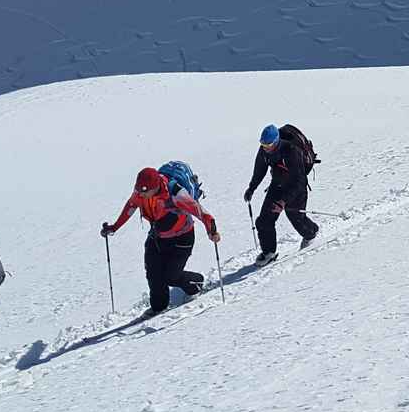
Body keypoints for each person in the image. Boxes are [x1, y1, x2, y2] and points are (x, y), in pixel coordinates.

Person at [103, 165, 221, 316]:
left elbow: (201, 212)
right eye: (138, 190)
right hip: (158, 236)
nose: (140, 195)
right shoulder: (141, 192)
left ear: (155, 186)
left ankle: (196, 283)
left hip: (182, 238)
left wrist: (212, 231)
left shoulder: (176, 194)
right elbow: (131, 206)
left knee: (171, 276)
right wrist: (114, 228)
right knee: (153, 272)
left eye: (144, 192)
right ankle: (159, 307)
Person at [244, 123, 318, 263]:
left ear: (277, 141)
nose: (266, 148)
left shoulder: (291, 151)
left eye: (269, 144)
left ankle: (311, 233)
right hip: (278, 184)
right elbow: (260, 169)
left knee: (295, 217)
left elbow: (300, 180)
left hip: (296, 188)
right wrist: (251, 188)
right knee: (264, 221)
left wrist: (284, 202)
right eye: (263, 144)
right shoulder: (264, 151)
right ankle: (269, 253)